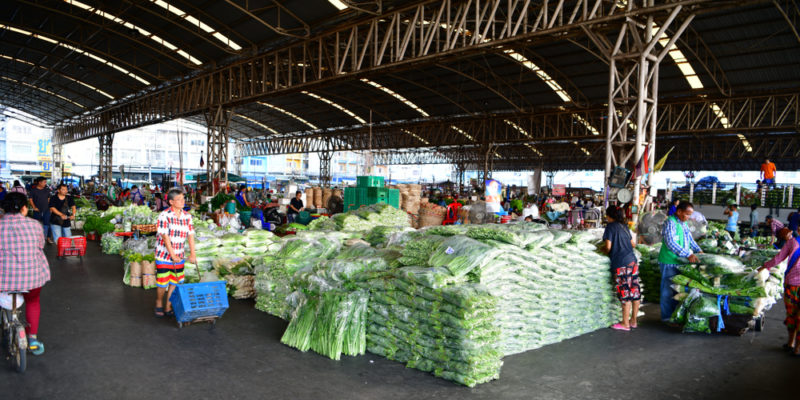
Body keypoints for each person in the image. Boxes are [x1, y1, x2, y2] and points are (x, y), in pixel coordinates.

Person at [0, 192, 50, 355]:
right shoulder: (35, 225)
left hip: (3, 279)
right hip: (32, 277)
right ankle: (33, 339)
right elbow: (41, 245)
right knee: (33, 301)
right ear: (24, 208)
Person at [153, 188, 196, 318]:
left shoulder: (187, 216)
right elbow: (165, 236)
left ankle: (168, 305)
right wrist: (171, 254)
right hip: (163, 255)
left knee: (175, 281)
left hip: (180, 254)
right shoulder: (164, 215)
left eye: (183, 198)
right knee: (163, 281)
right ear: (171, 202)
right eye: (179, 199)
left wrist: (193, 254)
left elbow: (190, 236)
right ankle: (159, 302)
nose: (183, 201)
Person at [658, 201, 702, 323]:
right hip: (669, 261)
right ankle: (667, 318)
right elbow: (670, 242)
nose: (688, 217)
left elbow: (689, 240)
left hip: (680, 262)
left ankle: (675, 316)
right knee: (668, 290)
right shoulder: (670, 222)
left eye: (690, 215)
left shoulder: (684, 224)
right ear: (679, 212)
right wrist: (688, 254)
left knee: (678, 290)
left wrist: (699, 250)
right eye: (687, 214)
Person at [758, 227, 800, 356]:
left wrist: (764, 266)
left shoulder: (793, 242)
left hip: (793, 285)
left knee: (792, 314)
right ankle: (798, 348)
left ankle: (790, 343)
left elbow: (778, 258)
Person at [602, 205, 641, 331]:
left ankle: (625, 323)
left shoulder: (610, 227)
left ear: (609, 215)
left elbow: (608, 247)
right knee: (634, 291)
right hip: (632, 261)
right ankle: (633, 320)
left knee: (625, 292)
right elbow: (632, 244)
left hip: (621, 263)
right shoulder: (624, 226)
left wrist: (602, 250)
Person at [28, 177, 53, 244]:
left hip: (46, 210)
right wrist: (34, 207)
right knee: (36, 224)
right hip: (37, 210)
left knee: (47, 224)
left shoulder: (47, 190)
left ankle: (48, 238)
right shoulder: (33, 190)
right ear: (39, 182)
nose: (45, 183)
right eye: (44, 182)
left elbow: (48, 199)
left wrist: (50, 207)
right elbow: (30, 199)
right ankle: (36, 239)